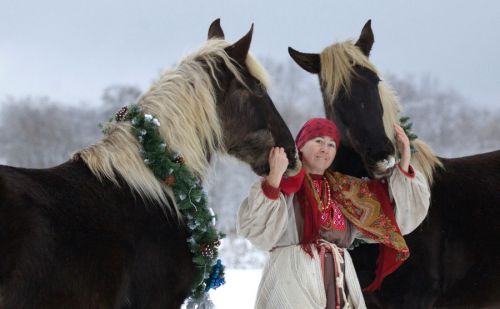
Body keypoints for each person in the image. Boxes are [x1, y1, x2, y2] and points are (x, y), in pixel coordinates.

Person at [238, 118, 430, 309]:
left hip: (338, 278)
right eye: (318, 141)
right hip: (292, 277)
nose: (325, 148)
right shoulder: (285, 183)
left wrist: (404, 158)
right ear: (301, 145)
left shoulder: (344, 190)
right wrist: (274, 178)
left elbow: (391, 211)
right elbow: (257, 229)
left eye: (331, 144)